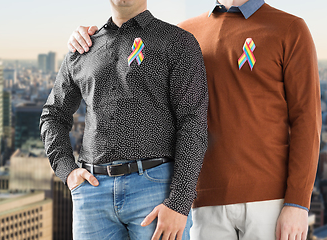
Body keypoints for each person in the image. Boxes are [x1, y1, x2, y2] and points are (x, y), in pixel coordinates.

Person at [67, 0, 321, 240]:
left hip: (269, 200)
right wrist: (90, 38)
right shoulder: (184, 35)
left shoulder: (290, 29)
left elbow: (306, 120)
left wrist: (298, 202)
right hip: (201, 200)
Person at [40, 0, 208, 239]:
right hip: (92, 194)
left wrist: (179, 203)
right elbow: (53, 115)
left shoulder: (177, 42)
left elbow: (193, 124)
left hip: (156, 189)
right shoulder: (83, 48)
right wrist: (67, 171)